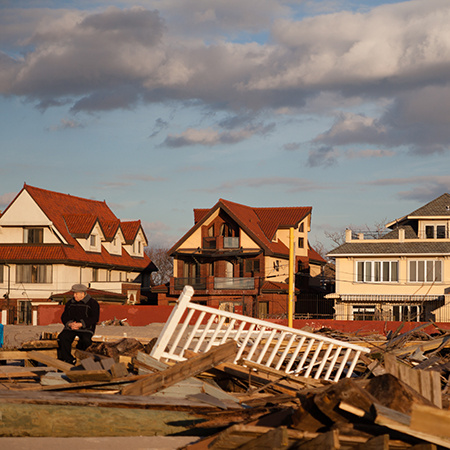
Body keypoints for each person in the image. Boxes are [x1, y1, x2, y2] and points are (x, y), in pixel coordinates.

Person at [57, 283, 100, 365]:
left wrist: (81, 324)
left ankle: (86, 362)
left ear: (83, 294)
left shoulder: (93, 303)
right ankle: (68, 360)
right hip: (71, 328)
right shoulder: (70, 303)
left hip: (86, 329)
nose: (74, 296)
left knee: (86, 341)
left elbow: (94, 318)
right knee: (63, 337)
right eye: (74, 293)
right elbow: (64, 317)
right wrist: (69, 324)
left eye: (76, 294)